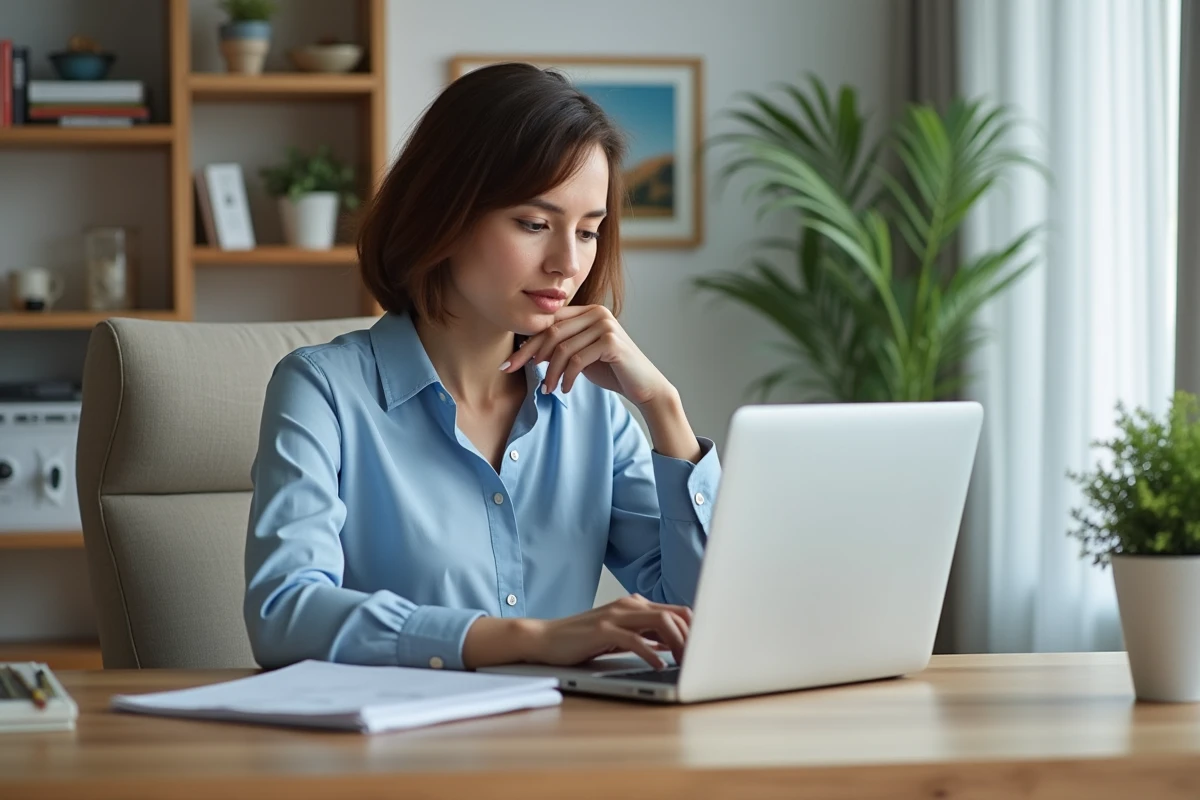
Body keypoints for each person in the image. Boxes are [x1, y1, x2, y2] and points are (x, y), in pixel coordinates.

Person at [243, 63, 721, 674]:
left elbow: (700, 617)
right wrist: (526, 638)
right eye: (534, 224)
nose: (566, 264)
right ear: (447, 211)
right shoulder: (323, 391)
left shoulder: (595, 411)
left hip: (561, 748)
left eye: (589, 231)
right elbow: (284, 613)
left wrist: (663, 407)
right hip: (387, 754)